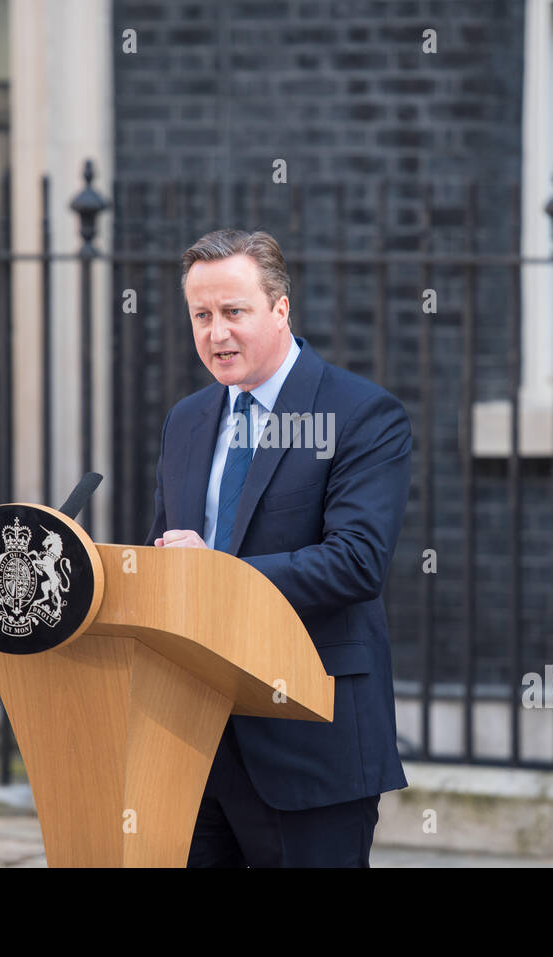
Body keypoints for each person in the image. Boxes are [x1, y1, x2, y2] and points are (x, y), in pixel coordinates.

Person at [145, 228, 411, 867]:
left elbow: (356, 562)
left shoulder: (361, 414)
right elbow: (166, 556)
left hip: (308, 740)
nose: (216, 333)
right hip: (196, 743)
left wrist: (215, 573)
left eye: (234, 312)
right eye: (201, 316)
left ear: (281, 309)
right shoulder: (186, 419)